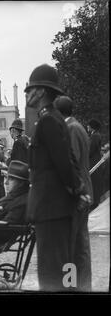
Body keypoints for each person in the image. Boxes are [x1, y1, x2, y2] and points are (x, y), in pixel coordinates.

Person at [25, 64, 90, 291]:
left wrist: (77, 190)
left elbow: (64, 162)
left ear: (41, 91)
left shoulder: (48, 121)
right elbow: (66, 160)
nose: (27, 93)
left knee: (53, 272)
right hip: (57, 207)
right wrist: (78, 191)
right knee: (64, 266)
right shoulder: (52, 118)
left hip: (52, 208)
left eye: (30, 89)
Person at [54, 95, 93, 291]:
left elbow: (72, 165)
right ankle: (82, 285)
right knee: (79, 243)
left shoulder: (70, 129)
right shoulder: (77, 127)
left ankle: (73, 285)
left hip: (76, 196)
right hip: (82, 193)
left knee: (73, 244)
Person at [87, 118, 102, 211]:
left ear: (92, 127)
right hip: (93, 161)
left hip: (93, 162)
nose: (87, 126)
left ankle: (94, 203)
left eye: (89, 125)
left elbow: (90, 150)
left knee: (94, 182)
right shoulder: (94, 135)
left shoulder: (95, 136)